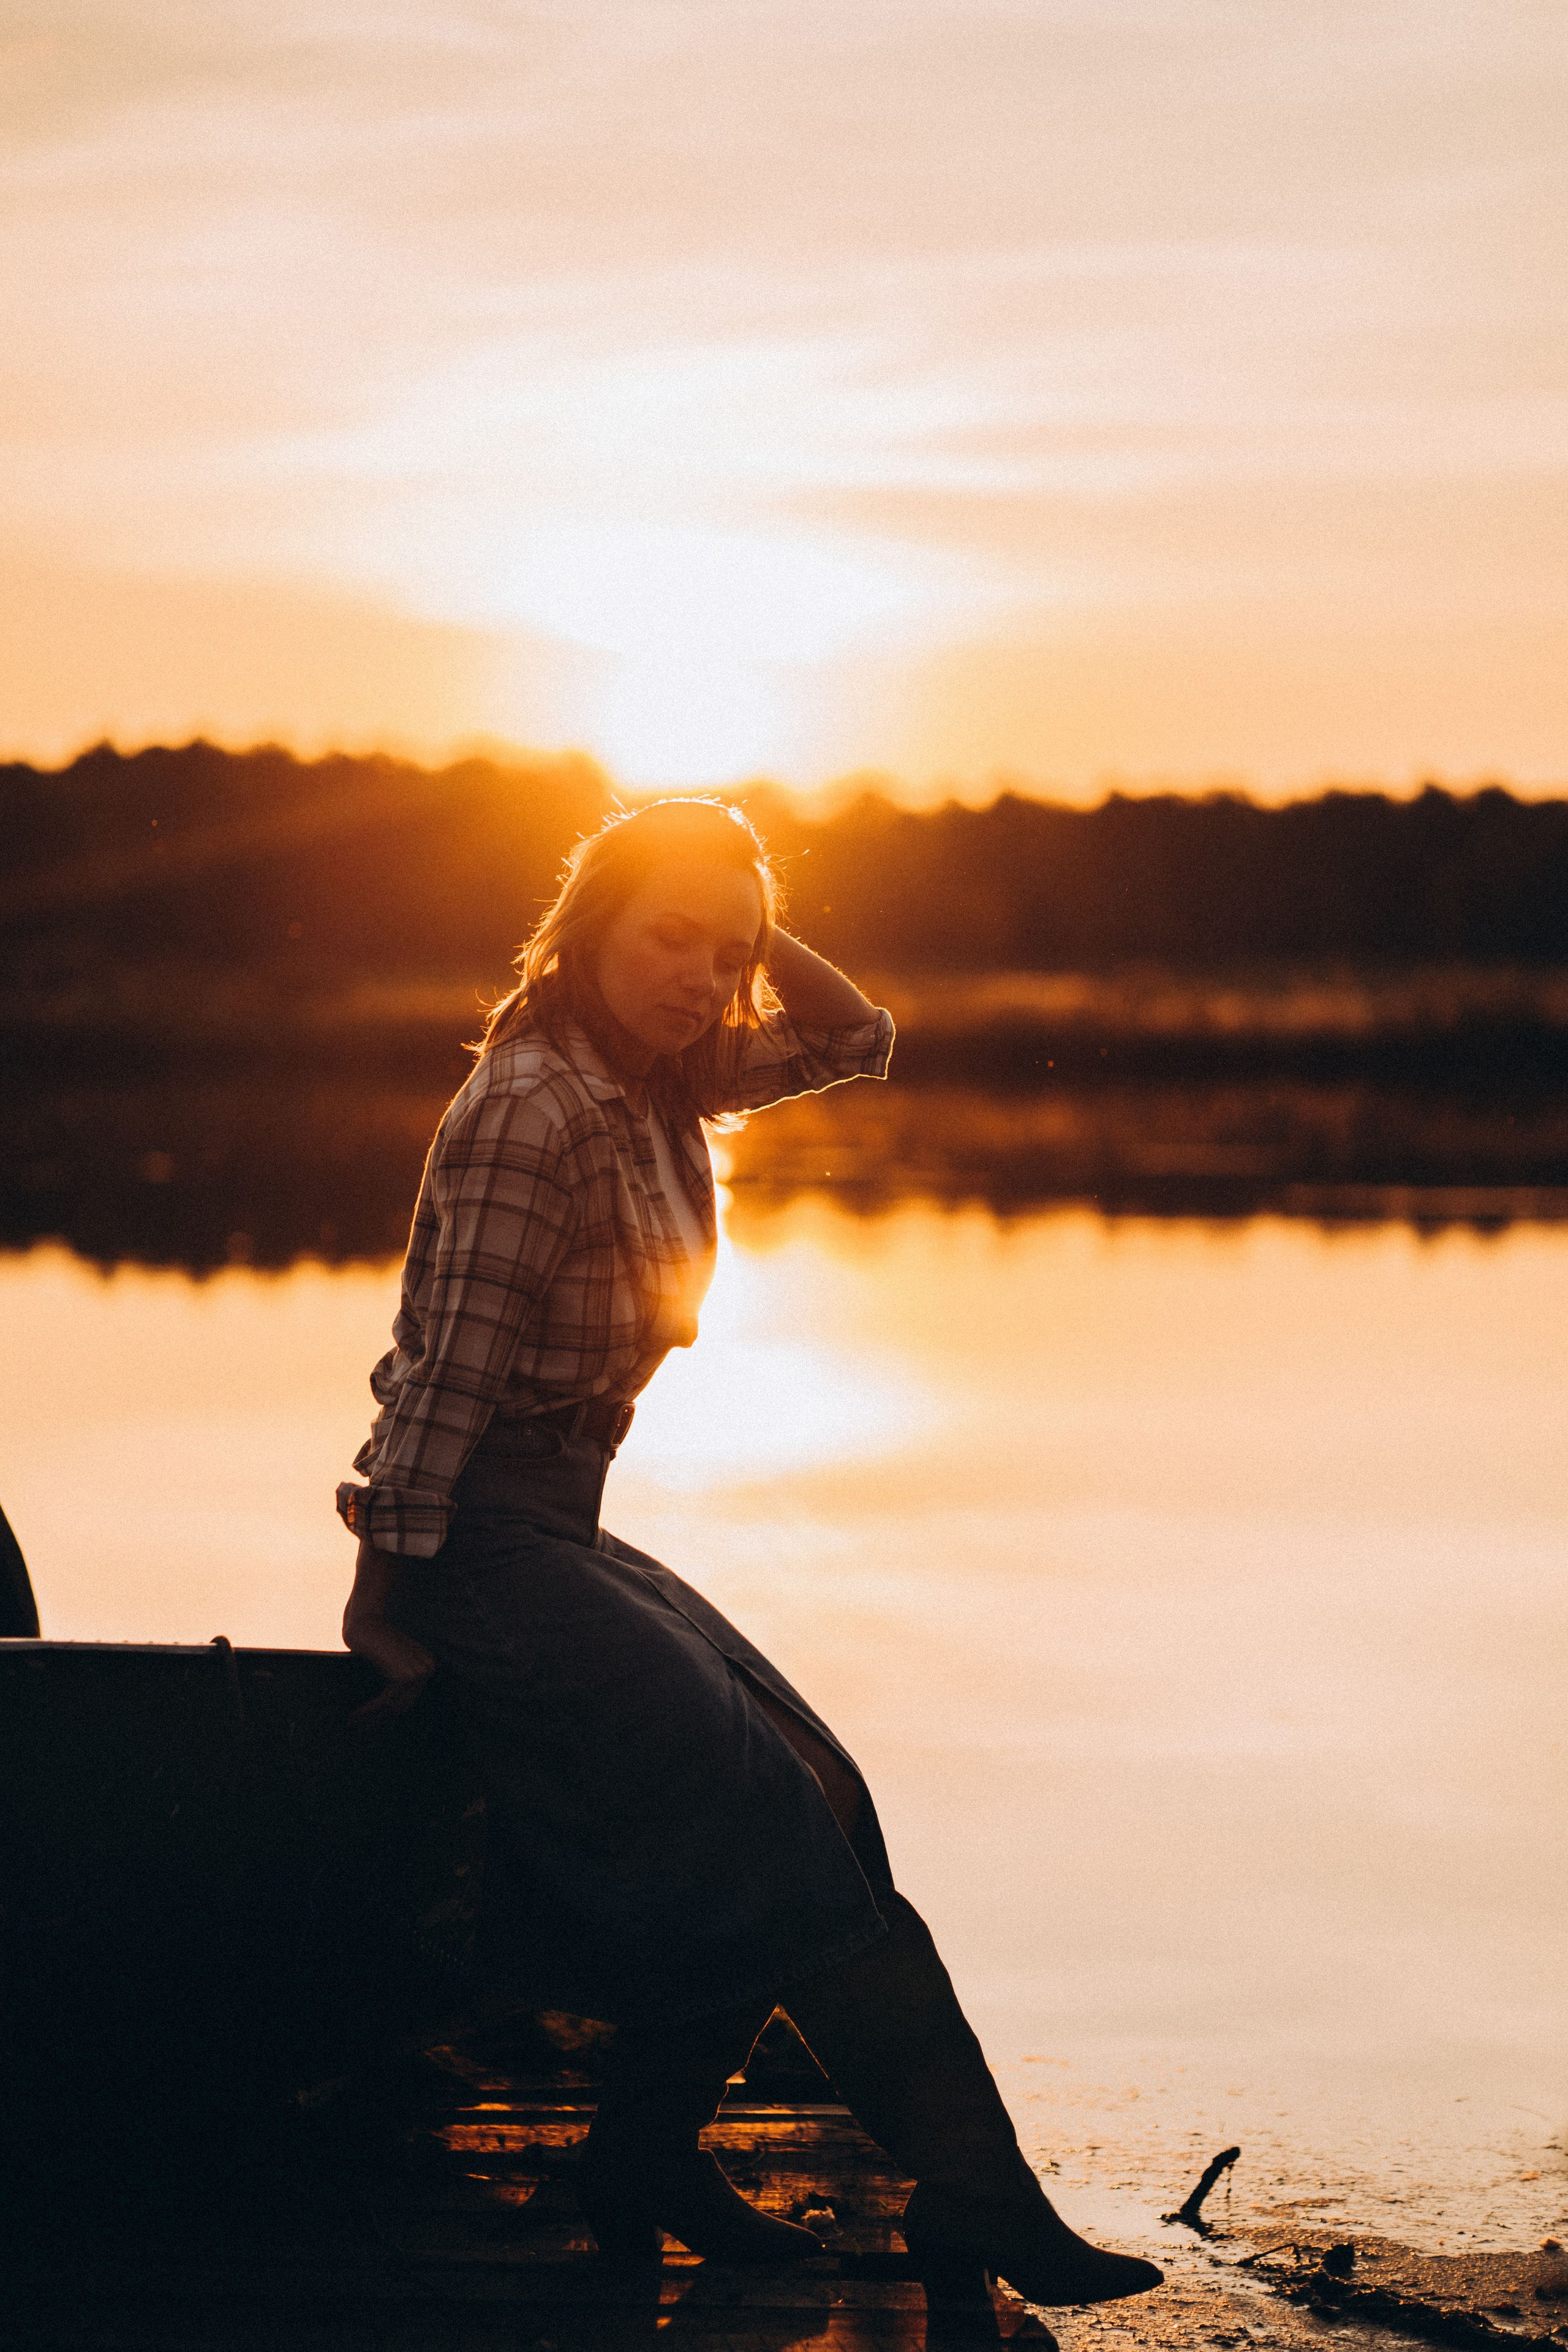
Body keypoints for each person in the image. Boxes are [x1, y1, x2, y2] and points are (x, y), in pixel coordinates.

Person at [339, 797, 1161, 2307]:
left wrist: (742, 916)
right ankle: (969, 2195)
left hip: (560, 1521)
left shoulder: (660, 1076)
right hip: (478, 1538)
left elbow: (862, 1039)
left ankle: (645, 2150)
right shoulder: (538, 1104)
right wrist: (382, 1601)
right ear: (589, 926)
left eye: (725, 958)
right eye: (667, 941)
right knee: (760, 1817)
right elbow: (442, 1372)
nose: (703, 982)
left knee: (817, 1796)